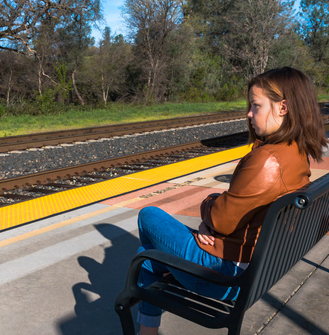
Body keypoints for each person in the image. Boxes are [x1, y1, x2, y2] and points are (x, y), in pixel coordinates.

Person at [136, 67, 329, 335]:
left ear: (282, 108)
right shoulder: (296, 152)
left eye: (256, 106)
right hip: (256, 269)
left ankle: (147, 329)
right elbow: (235, 216)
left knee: (148, 217)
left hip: (226, 275)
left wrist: (210, 212)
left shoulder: (267, 161)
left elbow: (220, 220)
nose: (249, 114)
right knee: (146, 256)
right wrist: (213, 221)